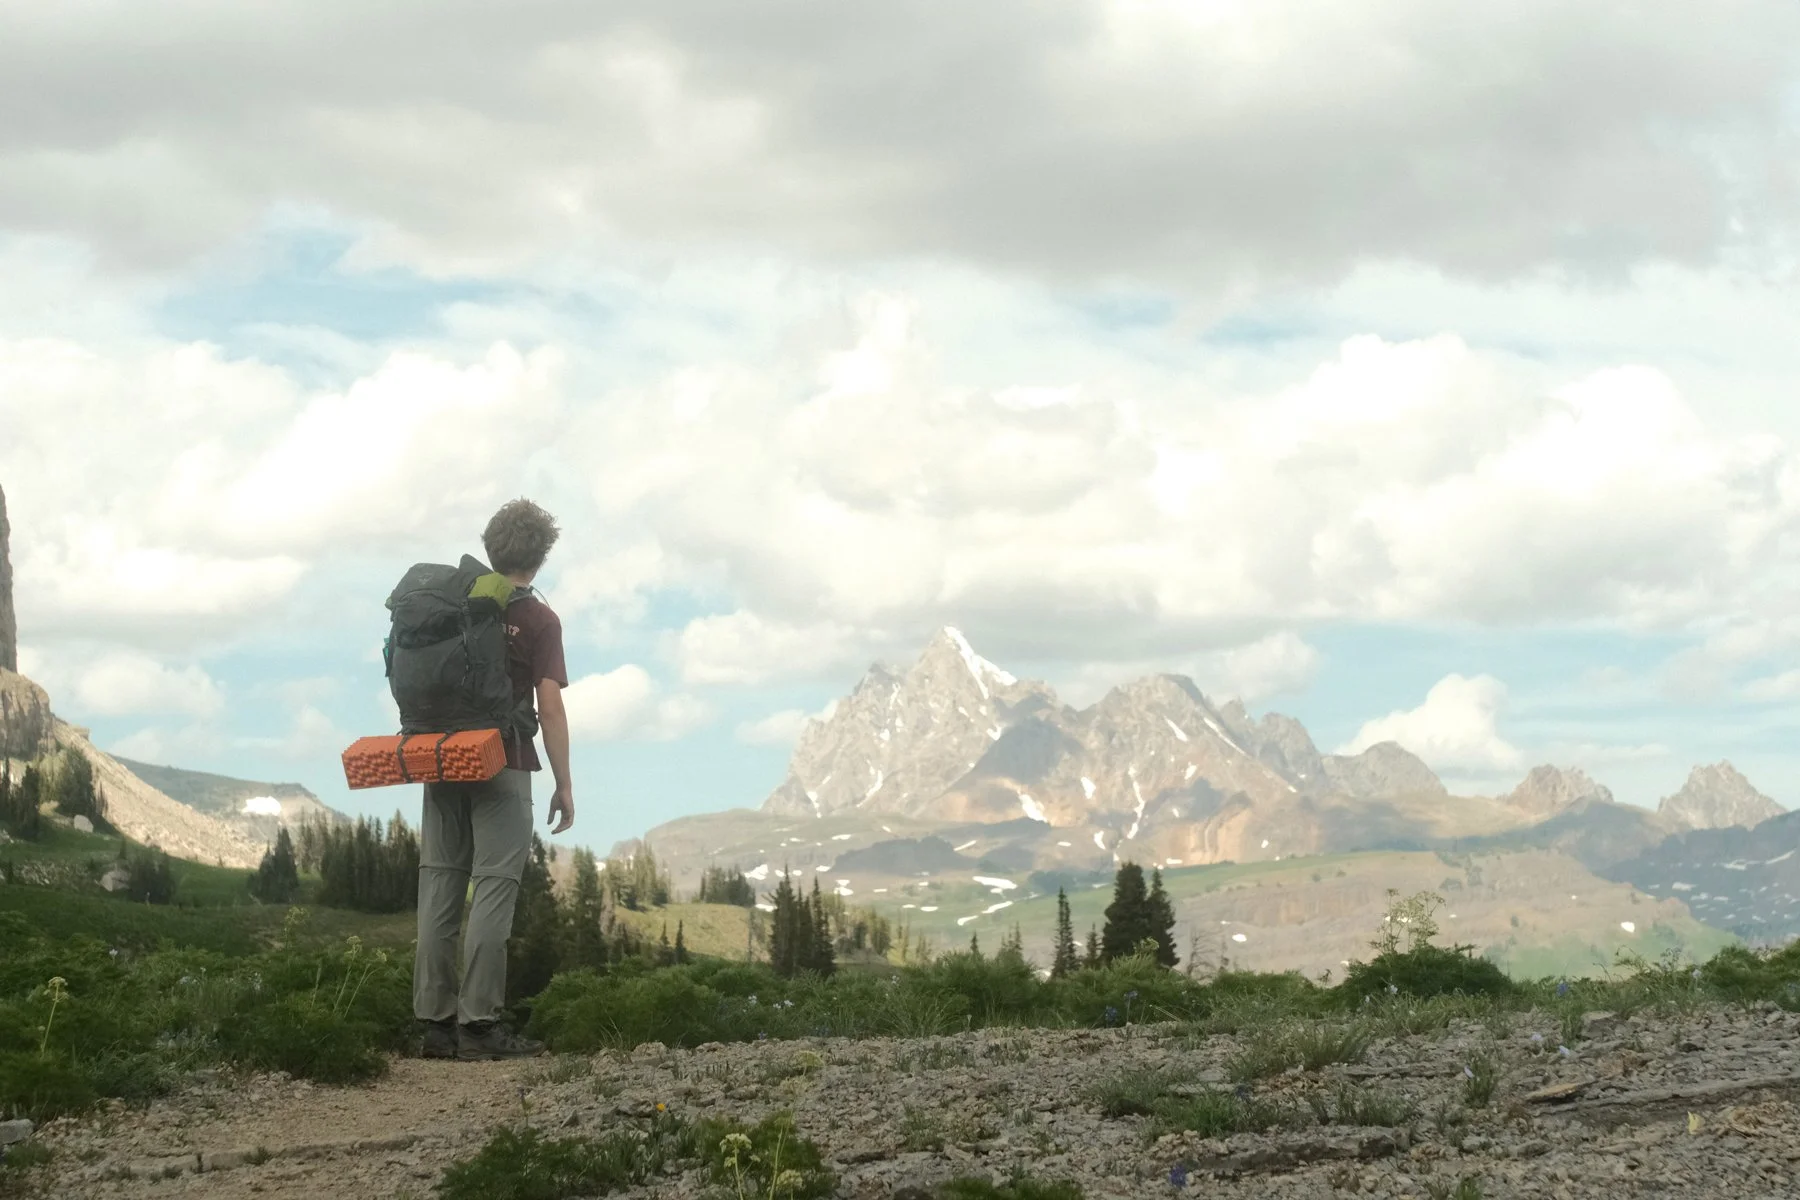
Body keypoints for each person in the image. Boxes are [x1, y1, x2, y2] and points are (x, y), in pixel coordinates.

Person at [415, 498, 575, 1060]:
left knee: (439, 884)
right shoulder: (538, 619)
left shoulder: (452, 603)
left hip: (442, 757)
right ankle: (478, 1028)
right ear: (541, 555)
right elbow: (549, 708)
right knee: (492, 890)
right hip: (503, 761)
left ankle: (434, 1027)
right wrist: (564, 782)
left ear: (490, 547)